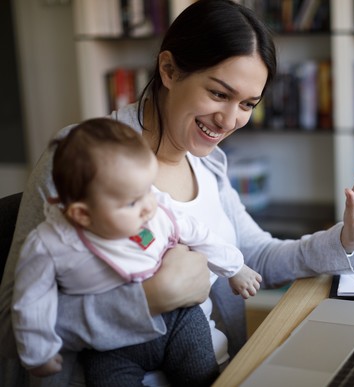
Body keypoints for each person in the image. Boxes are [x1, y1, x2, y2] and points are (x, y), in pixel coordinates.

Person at [0, 0, 354, 385]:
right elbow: (10, 326)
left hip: (219, 369)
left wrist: (347, 239)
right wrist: (150, 299)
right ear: (169, 70)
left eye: (248, 103)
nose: (229, 120)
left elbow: (254, 256)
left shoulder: (209, 161)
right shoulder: (80, 157)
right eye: (219, 94)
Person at [11, 118, 262, 386]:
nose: (148, 206)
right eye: (132, 202)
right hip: (109, 344)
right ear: (82, 214)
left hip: (178, 319)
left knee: (201, 375)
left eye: (148, 190)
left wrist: (235, 268)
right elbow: (31, 300)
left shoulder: (153, 205)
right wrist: (38, 352)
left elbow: (200, 234)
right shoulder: (51, 244)